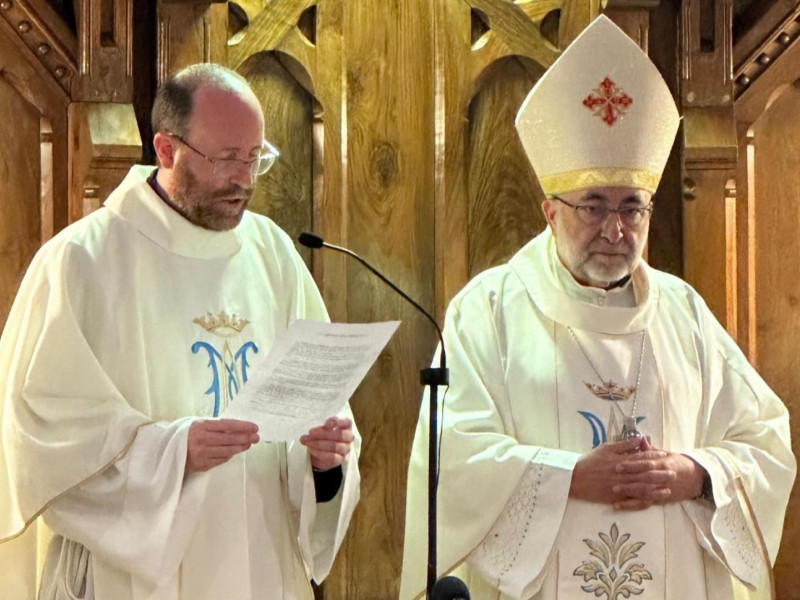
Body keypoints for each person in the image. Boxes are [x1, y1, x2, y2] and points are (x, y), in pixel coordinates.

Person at [400, 15, 795, 600]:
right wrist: (570, 477)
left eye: (633, 206)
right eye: (593, 205)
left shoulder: (683, 313)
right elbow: (451, 457)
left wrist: (693, 474)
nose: (615, 229)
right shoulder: (487, 312)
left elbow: (765, 441)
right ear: (550, 212)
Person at [0, 63, 360, 600]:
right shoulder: (81, 261)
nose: (244, 179)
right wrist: (172, 454)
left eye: (255, 157)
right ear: (166, 150)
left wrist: (322, 461)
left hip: (260, 566)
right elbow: (38, 436)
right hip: (134, 581)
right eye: (225, 159)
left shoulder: (273, 254)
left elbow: (315, 406)